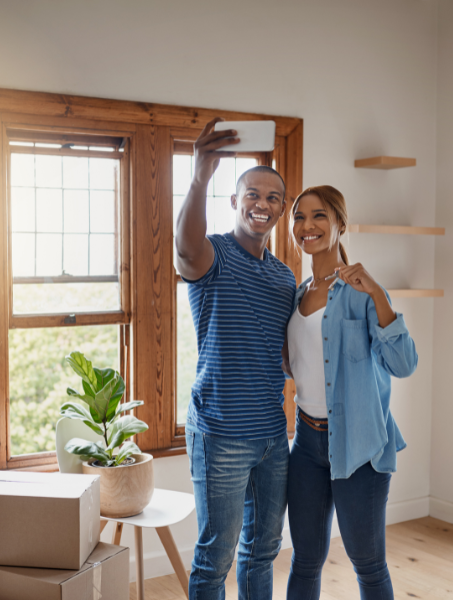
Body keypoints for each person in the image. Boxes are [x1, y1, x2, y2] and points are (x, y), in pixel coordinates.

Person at [175, 117, 297, 600]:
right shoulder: (213, 255)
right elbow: (184, 246)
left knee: (263, 550)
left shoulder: (286, 277)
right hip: (220, 432)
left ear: (282, 209)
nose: (261, 205)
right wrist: (200, 176)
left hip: (273, 434)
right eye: (252, 194)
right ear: (234, 202)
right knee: (214, 559)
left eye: (272, 198)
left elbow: (287, 356)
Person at [283, 185, 418, 600]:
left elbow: (404, 364)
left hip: (359, 446)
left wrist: (378, 292)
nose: (308, 226)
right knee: (304, 560)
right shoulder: (297, 293)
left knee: (368, 564)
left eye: (319, 215)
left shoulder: (362, 293)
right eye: (299, 217)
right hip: (306, 444)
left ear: (340, 223)